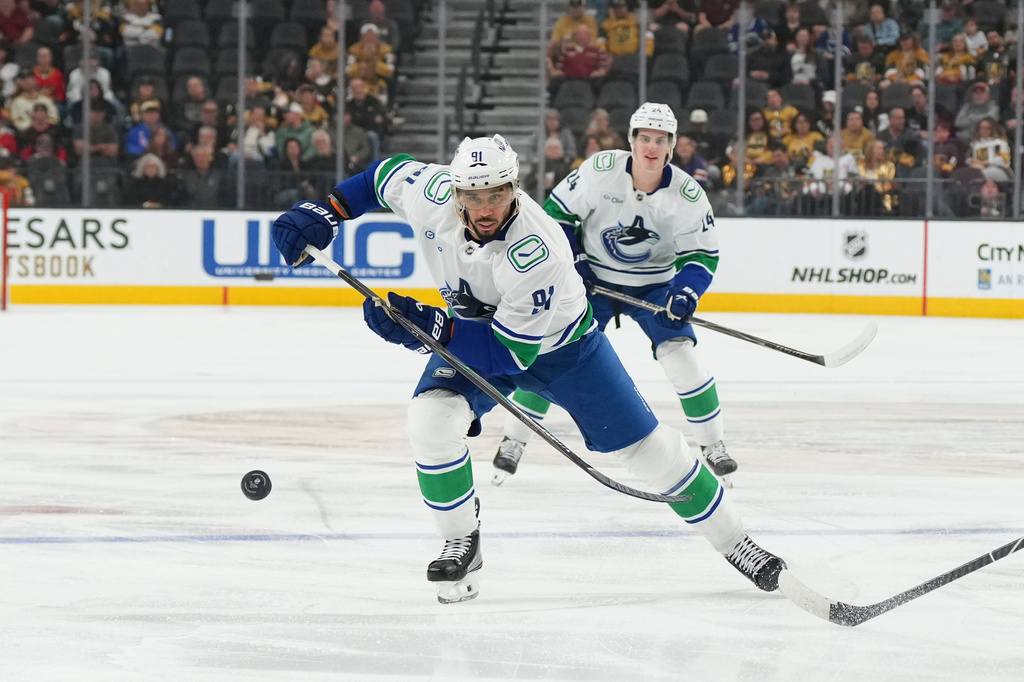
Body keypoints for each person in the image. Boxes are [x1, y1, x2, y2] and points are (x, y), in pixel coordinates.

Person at [270, 128, 787, 605]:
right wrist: (328, 210)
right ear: (455, 192)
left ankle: (737, 542)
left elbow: (507, 357)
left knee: (653, 454)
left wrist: (432, 328)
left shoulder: (538, 252)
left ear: (514, 187)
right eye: (473, 196)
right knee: (429, 422)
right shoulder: (431, 194)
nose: (485, 207)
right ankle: (461, 542)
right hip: (477, 334)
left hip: (565, 352)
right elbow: (380, 177)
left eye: (497, 193)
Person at [490, 102, 739, 486]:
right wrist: (576, 262)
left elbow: (702, 255)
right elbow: (557, 216)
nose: (651, 147)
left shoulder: (688, 194)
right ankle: (514, 440)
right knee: (552, 355)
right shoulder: (600, 170)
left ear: (672, 146)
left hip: (655, 286)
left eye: (661, 140)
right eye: (645, 138)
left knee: (682, 358)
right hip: (592, 282)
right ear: (631, 140)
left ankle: (713, 444)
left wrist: (686, 291)